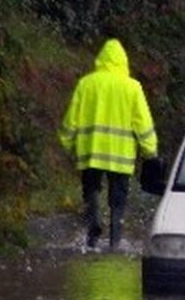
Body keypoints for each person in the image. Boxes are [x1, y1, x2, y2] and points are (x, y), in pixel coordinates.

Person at [58, 38, 158, 250]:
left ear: (100, 59)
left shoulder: (86, 84)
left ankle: (94, 220)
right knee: (118, 200)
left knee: (91, 188)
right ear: (124, 61)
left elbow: (71, 119)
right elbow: (143, 123)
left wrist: (66, 143)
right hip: (121, 157)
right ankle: (114, 241)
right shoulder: (132, 87)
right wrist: (150, 152)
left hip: (91, 152)